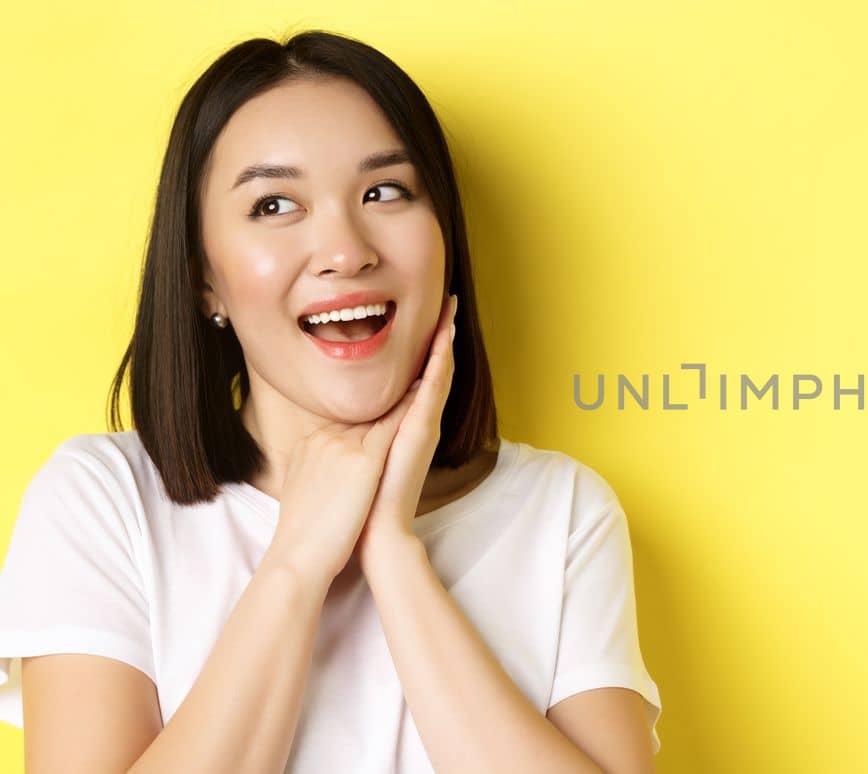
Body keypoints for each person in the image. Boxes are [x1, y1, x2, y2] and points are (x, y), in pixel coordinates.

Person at [0, 30, 661, 773]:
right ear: (203, 280)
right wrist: (298, 560)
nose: (346, 251)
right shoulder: (103, 501)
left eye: (385, 192)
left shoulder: (562, 513)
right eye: (275, 204)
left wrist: (392, 550)